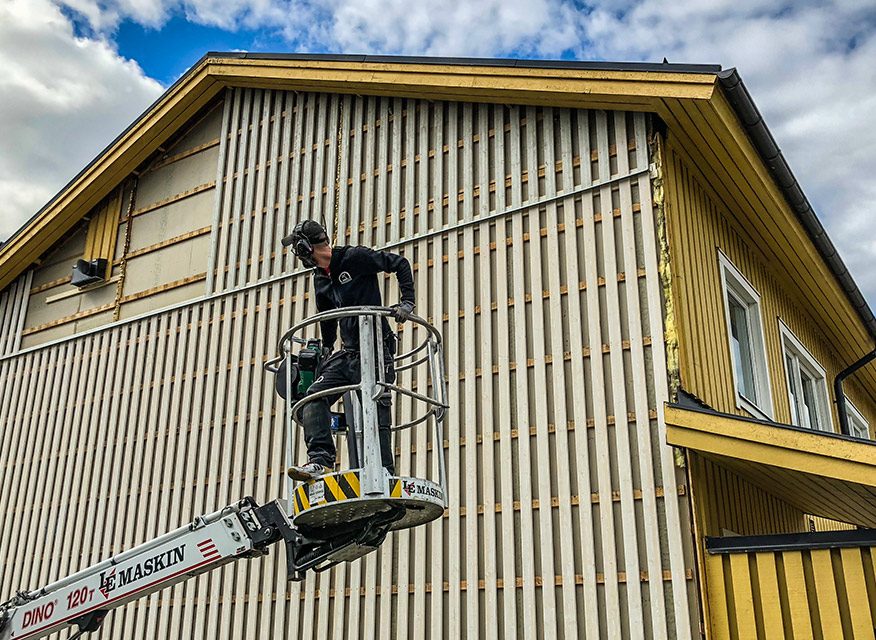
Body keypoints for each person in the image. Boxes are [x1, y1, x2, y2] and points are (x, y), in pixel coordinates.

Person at [282, 220, 415, 480]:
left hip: (377, 348)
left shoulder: (354, 258)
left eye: (298, 250)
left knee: (376, 408)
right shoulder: (320, 279)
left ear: (306, 247)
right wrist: (326, 350)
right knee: (313, 396)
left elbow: (399, 264)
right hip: (350, 353)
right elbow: (328, 317)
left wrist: (407, 302)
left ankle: (384, 473)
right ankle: (321, 460)